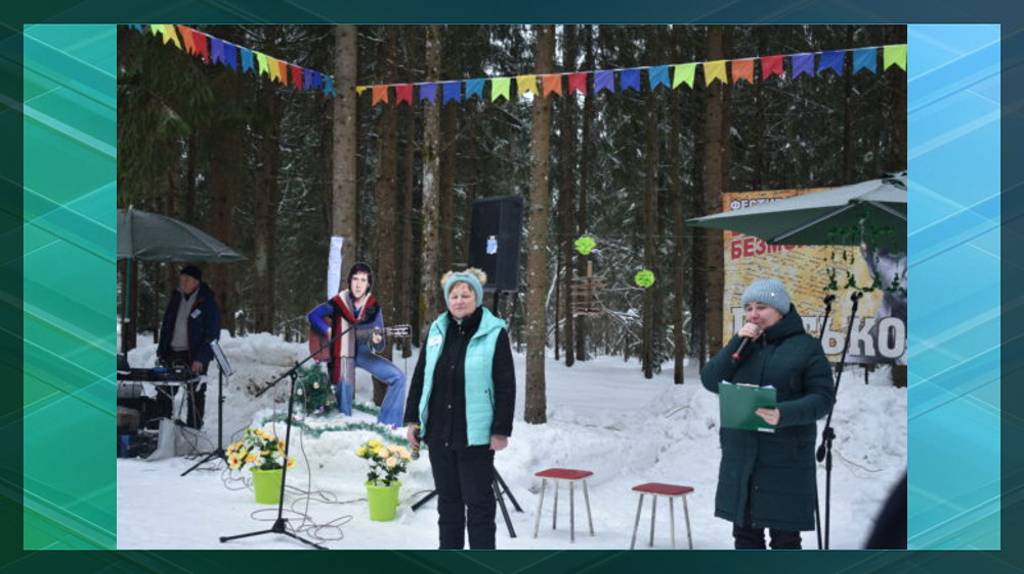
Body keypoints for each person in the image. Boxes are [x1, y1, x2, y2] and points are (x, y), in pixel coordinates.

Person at [700, 278, 834, 549]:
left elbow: (823, 399)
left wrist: (782, 413)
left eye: (761, 307)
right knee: (745, 536)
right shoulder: (743, 347)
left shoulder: (806, 347)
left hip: (785, 458)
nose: (753, 314)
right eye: (748, 308)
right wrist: (736, 343)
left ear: (780, 310)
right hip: (742, 456)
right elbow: (710, 380)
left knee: (785, 539)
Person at [403, 268, 515, 550]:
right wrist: (413, 419)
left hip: (475, 435)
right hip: (440, 432)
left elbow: (505, 385)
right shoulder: (437, 331)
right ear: (447, 299)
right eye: (454, 295)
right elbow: (421, 377)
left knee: (479, 505)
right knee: (448, 504)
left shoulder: (493, 332)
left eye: (465, 294)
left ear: (476, 298)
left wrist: (500, 430)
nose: (459, 300)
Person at [307, 262, 406, 427]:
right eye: (355, 279)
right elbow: (313, 316)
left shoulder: (373, 309)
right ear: (350, 281)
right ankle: (343, 421)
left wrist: (377, 340)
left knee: (398, 377)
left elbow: (380, 346)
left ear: (368, 284)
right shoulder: (339, 302)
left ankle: (390, 424)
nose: (358, 284)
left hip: (363, 353)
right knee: (345, 383)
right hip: (343, 354)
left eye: (363, 280)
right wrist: (328, 330)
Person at [156, 265, 222, 429]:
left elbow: (212, 332)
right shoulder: (176, 297)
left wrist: (201, 357)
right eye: (182, 279)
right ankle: (163, 426)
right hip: (172, 352)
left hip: (194, 354)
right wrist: (161, 351)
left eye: (187, 280)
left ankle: (194, 429)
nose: (183, 283)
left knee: (196, 393)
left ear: (196, 282)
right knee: (165, 391)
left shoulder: (206, 300)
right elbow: (166, 326)